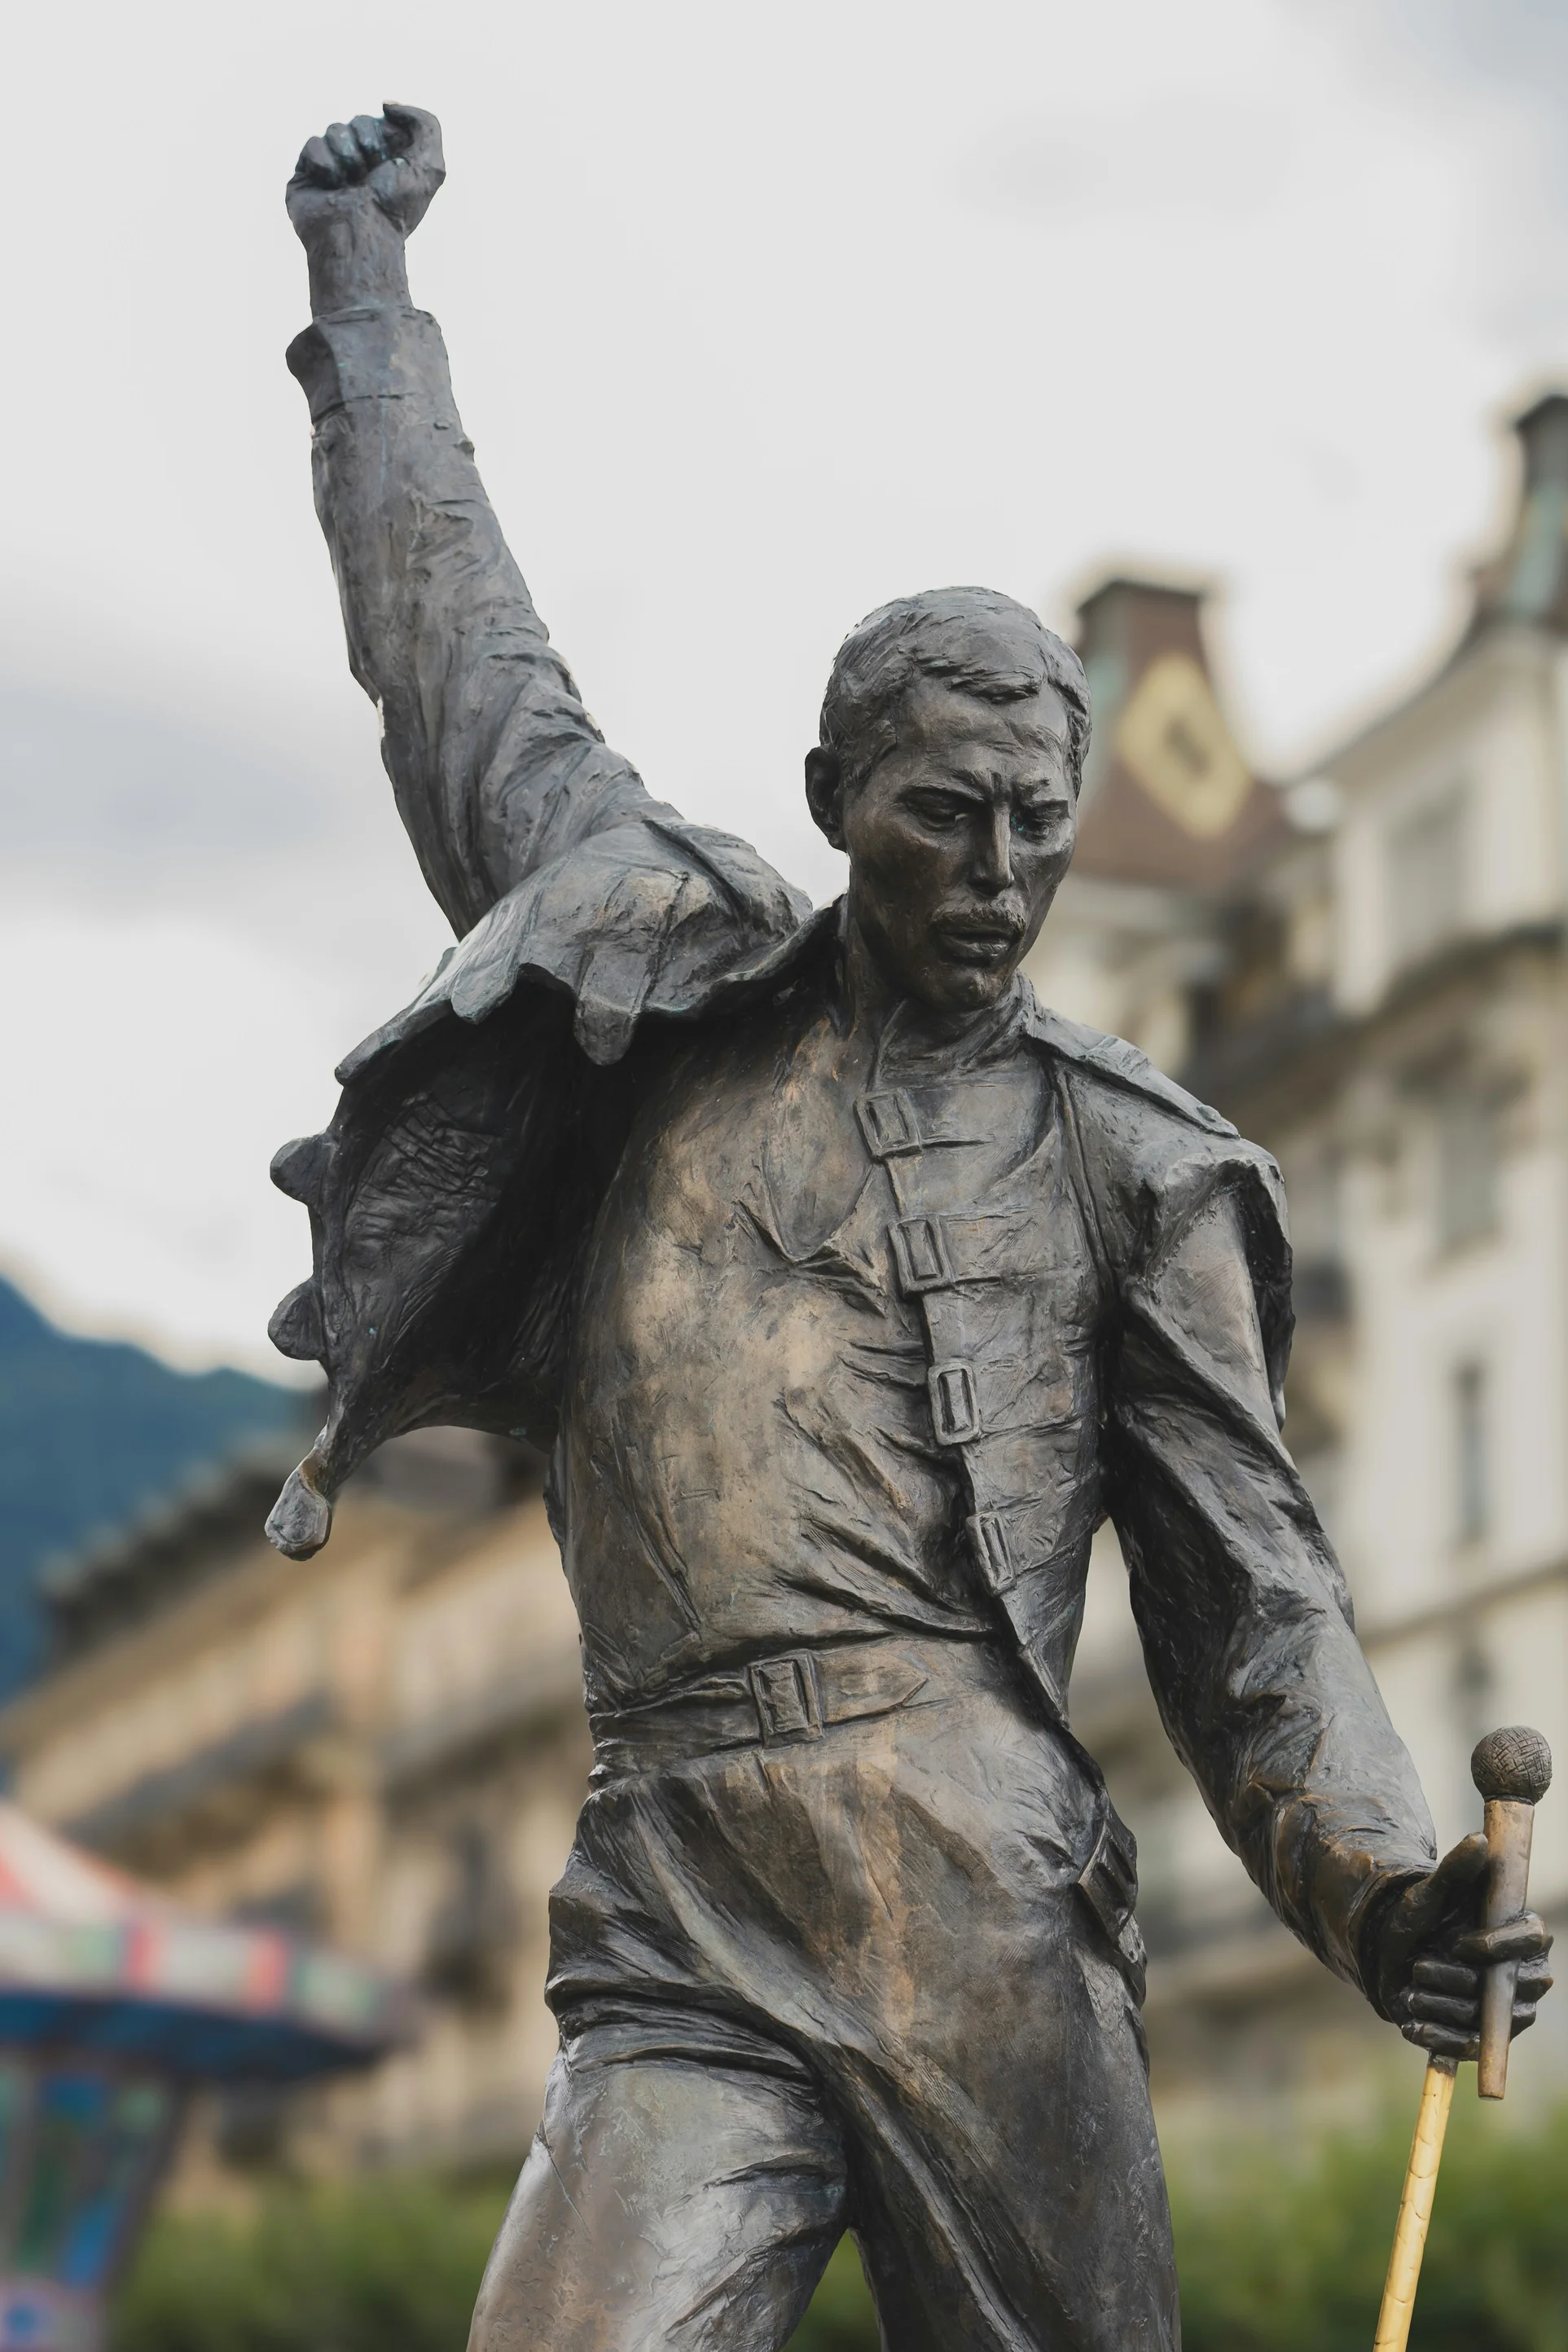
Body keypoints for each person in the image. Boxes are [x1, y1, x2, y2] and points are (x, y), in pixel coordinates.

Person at [272, 103, 1552, 2352]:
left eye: (1036, 830)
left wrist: (1372, 1885)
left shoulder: (1131, 1162)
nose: (993, 871)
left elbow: (1256, 1601)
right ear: (826, 806)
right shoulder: (653, 986)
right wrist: (366, 311)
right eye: (938, 816)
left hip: (975, 1907)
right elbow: (452, 652)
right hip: (674, 1885)